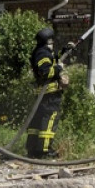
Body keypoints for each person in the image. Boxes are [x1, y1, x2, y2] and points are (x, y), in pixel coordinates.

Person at [26, 27, 69, 159]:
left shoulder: (42, 52)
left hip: (44, 96)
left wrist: (66, 51)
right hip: (50, 95)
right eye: (52, 41)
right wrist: (58, 69)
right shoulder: (43, 53)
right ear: (48, 40)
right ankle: (44, 150)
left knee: (37, 122)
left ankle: (33, 149)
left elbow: (53, 60)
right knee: (49, 121)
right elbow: (45, 71)